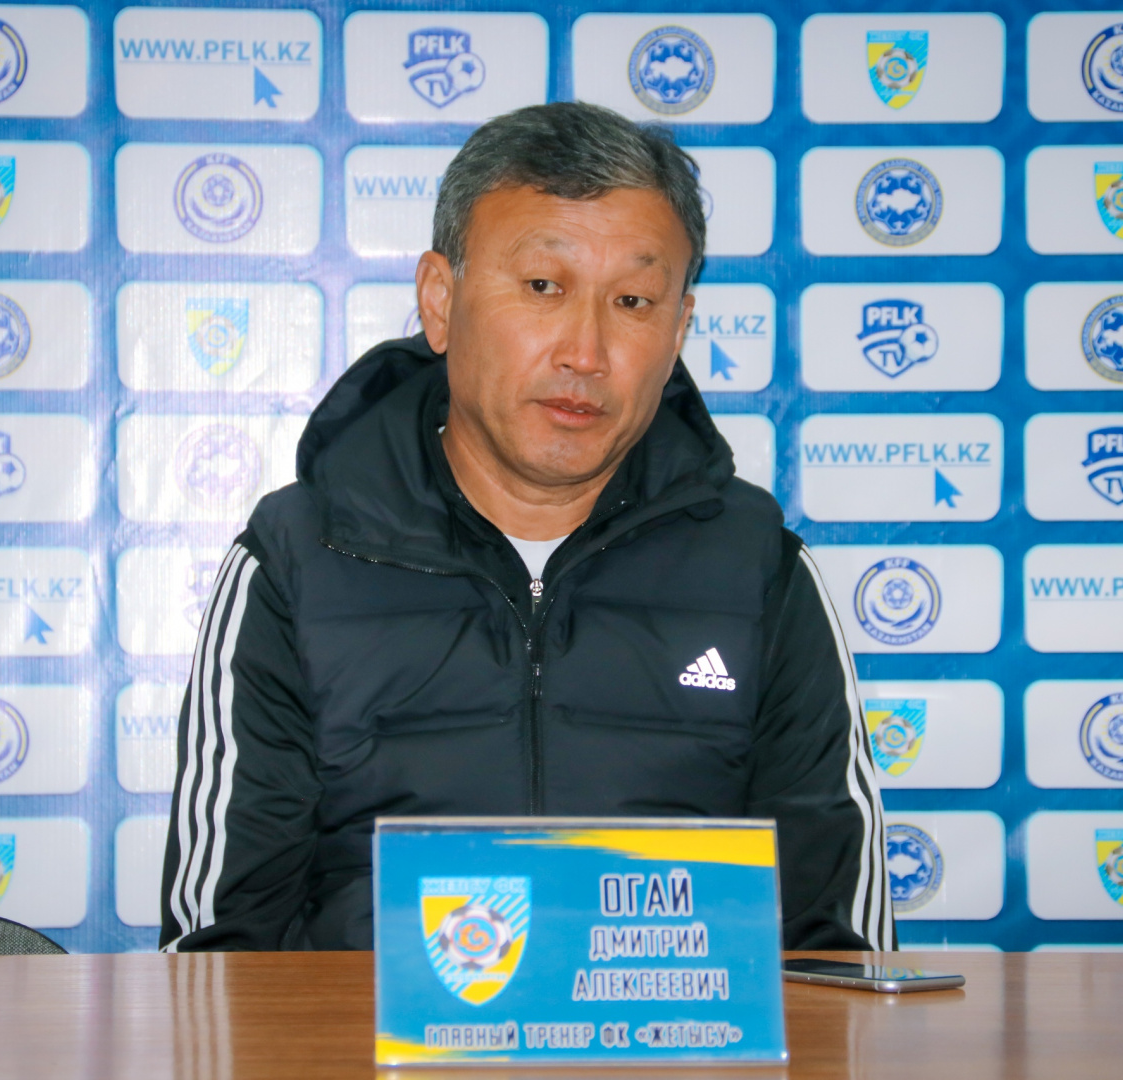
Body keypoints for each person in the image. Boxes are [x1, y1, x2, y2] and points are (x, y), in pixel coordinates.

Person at [160, 102, 893, 953]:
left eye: (633, 301)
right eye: (544, 287)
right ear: (441, 301)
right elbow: (219, 954)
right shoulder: (297, 560)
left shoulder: (758, 568)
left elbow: (836, 950)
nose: (585, 351)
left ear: (679, 330)